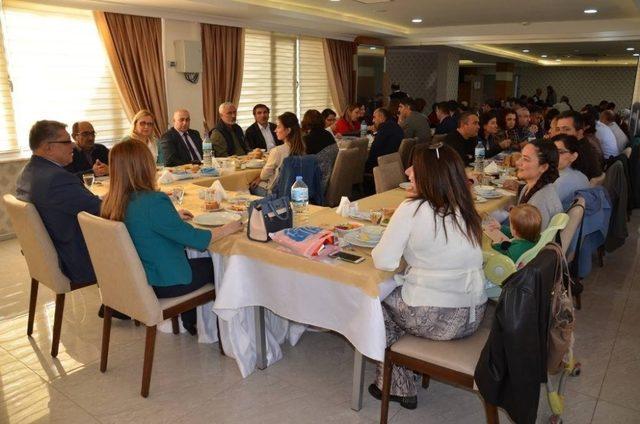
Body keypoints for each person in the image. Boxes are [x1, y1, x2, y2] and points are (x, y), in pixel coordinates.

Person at [368, 143, 487, 409]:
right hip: (474, 313)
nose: (408, 171)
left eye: (415, 168)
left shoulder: (412, 209)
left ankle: (397, 384)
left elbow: (383, 259)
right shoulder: (465, 207)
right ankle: (406, 368)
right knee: (399, 295)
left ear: (429, 176)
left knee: (375, 302)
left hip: (439, 320)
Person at [100, 141, 242, 334]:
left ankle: (191, 324)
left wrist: (172, 217)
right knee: (222, 267)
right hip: (165, 282)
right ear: (144, 166)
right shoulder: (153, 201)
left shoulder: (112, 202)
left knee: (201, 261)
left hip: (139, 280)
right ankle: (224, 333)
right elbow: (196, 239)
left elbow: (148, 224)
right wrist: (230, 227)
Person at [16, 120, 102, 285]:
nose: (73, 146)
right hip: (75, 259)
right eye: (67, 141)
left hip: (48, 253)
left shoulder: (27, 173)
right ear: (48, 147)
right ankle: (127, 303)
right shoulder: (56, 178)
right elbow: (99, 209)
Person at [250, 112, 305, 196]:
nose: (275, 130)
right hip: (295, 190)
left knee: (250, 187)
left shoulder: (277, 151)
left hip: (277, 193)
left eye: (278, 127)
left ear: (288, 130)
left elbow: (264, 176)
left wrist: (259, 178)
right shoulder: (302, 148)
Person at [512, 140, 563, 229]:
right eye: (520, 157)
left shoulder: (540, 202)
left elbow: (532, 241)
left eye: (526, 159)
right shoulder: (527, 188)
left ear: (543, 167)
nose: (518, 163)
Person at [556, 111, 603, 179]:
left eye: (566, 129)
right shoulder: (581, 144)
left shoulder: (578, 154)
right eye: (558, 129)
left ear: (580, 132)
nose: (560, 134)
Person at [551, 134, 590, 209]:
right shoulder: (582, 175)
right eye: (552, 151)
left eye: (560, 152)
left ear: (573, 156)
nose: (553, 156)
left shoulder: (560, 181)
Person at [365, 108, 404, 173]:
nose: (373, 120)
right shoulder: (395, 126)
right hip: (393, 163)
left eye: (374, 117)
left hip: (382, 165)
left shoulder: (384, 127)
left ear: (381, 117)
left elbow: (374, 149)